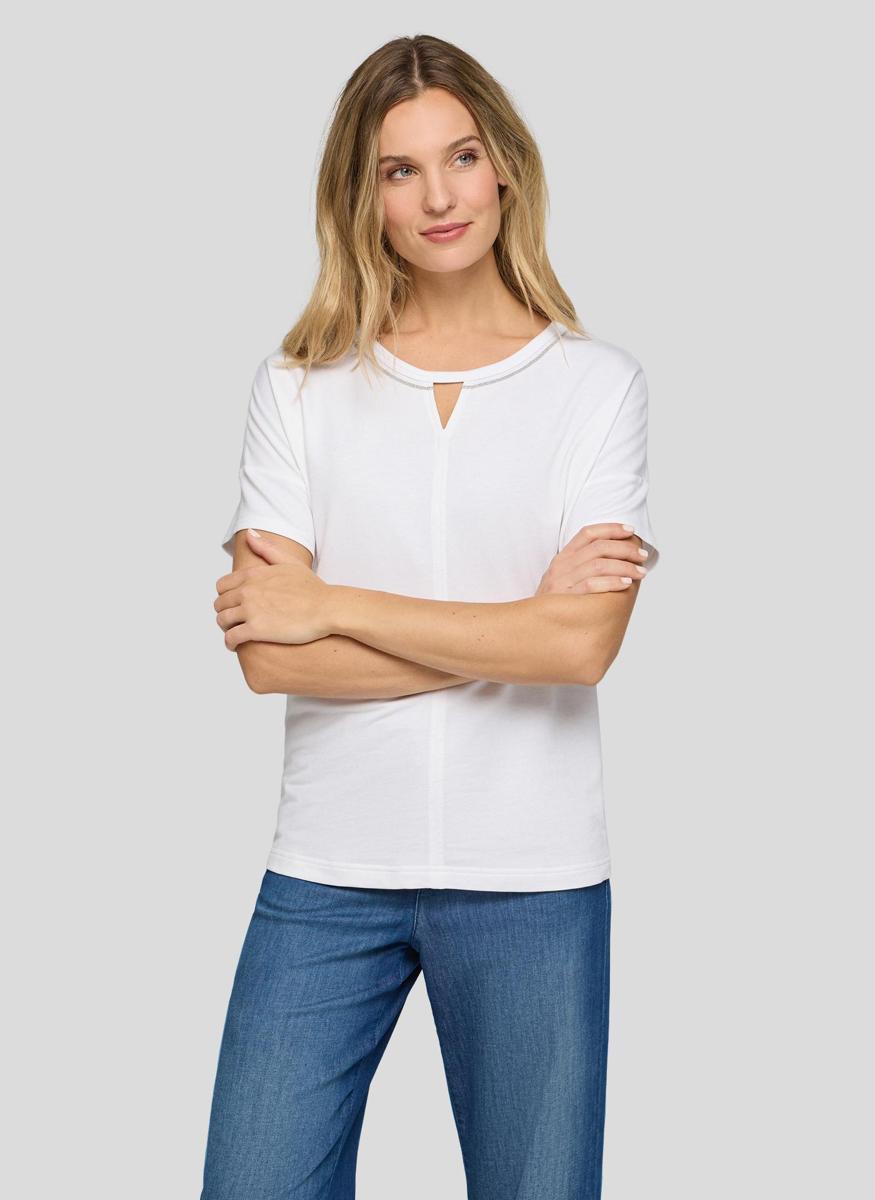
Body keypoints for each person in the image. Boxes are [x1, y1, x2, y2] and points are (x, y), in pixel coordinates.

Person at [203, 33, 661, 1200]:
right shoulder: (298, 386)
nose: (439, 197)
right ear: (363, 197)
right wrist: (519, 632)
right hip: (326, 871)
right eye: (399, 170)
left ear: (502, 165)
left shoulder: (594, 388)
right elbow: (268, 659)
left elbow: (581, 649)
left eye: (458, 157)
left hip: (533, 880)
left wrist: (329, 606)